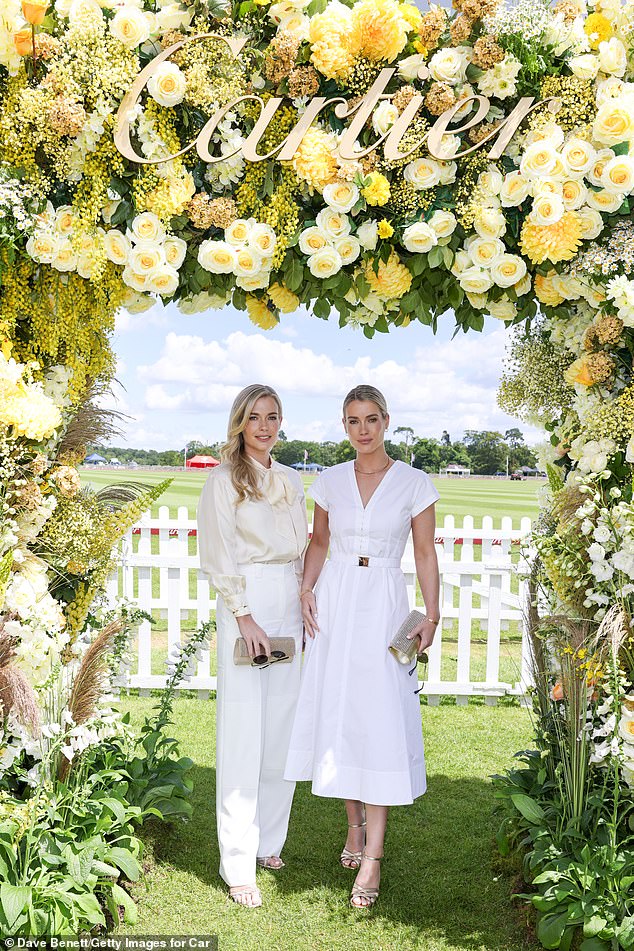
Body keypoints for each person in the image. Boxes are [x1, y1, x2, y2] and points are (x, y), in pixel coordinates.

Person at [284, 384, 440, 909]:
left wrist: (431, 613)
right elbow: (320, 543)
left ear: (387, 421)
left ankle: (373, 855)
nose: (363, 429)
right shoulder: (328, 480)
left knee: (379, 719)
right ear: (344, 426)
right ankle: (352, 826)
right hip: (335, 603)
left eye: (371, 419)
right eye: (353, 421)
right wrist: (306, 589)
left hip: (387, 605)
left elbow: (423, 553)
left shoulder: (415, 483)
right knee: (342, 713)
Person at [198, 384, 308, 908]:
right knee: (245, 731)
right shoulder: (222, 481)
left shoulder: (290, 478)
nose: (264, 426)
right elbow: (219, 553)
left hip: (289, 598)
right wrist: (244, 617)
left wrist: (306, 596)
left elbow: (305, 548)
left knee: (281, 731)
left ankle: (269, 841)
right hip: (248, 603)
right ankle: (238, 862)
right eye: (254, 417)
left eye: (272, 417)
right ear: (239, 422)